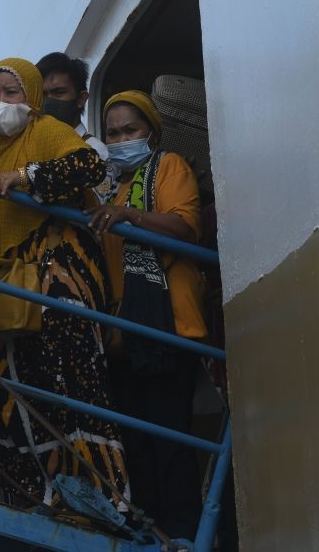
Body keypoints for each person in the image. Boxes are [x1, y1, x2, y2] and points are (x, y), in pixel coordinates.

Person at [0, 57, 129, 508]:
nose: (1, 103)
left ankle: (92, 501)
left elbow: (90, 166)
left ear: (32, 98)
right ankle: (25, 498)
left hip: (57, 281)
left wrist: (25, 176)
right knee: (8, 397)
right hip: (6, 288)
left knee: (65, 387)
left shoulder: (47, 133)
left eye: (11, 93)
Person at [87, 90, 206, 541]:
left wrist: (130, 215)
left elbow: (184, 227)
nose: (120, 140)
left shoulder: (168, 166)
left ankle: (183, 535)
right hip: (125, 333)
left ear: (150, 134)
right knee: (135, 444)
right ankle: (152, 531)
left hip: (170, 323)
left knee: (170, 440)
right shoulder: (109, 190)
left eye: (130, 130)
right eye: (112, 133)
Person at [37, 52, 118, 202]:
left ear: (81, 99)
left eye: (58, 93)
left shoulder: (95, 151)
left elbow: (93, 210)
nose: (48, 102)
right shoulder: (33, 145)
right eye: (43, 95)